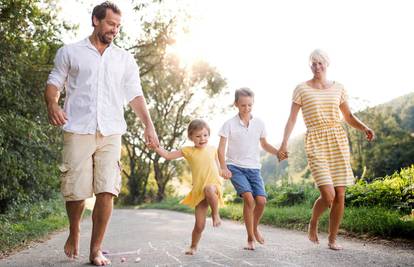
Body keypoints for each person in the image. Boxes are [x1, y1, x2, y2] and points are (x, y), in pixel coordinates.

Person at [44, 2, 159, 265]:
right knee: (76, 192)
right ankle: (74, 230)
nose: (115, 30)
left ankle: (96, 249)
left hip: (111, 131)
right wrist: (52, 103)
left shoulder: (124, 59)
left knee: (107, 189)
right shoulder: (70, 52)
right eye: (110, 24)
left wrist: (148, 125)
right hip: (78, 128)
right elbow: (54, 82)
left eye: (118, 26)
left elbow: (135, 95)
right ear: (95, 20)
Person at [278, 49, 375, 250]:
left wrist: (364, 127)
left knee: (340, 194)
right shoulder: (301, 89)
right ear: (310, 65)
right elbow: (292, 119)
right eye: (313, 63)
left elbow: (347, 116)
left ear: (327, 64)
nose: (317, 67)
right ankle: (313, 222)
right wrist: (284, 143)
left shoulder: (338, 87)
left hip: (337, 140)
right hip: (315, 140)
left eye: (320, 63)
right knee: (328, 195)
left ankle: (332, 238)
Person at [218, 88, 279, 250]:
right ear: (236, 104)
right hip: (235, 167)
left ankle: (254, 227)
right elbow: (220, 149)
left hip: (254, 168)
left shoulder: (259, 123)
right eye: (243, 105)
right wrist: (223, 168)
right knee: (249, 198)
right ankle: (250, 238)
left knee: (261, 201)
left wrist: (278, 153)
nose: (246, 108)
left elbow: (264, 144)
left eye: (250, 105)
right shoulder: (229, 124)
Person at [154, 119, 224, 255]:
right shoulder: (188, 151)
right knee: (199, 225)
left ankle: (216, 214)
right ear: (191, 137)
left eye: (205, 135)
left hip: (214, 186)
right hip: (199, 191)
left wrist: (224, 171)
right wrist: (156, 147)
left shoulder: (213, 149)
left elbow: (219, 167)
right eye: (198, 136)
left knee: (209, 189)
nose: (202, 138)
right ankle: (193, 246)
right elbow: (168, 155)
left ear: (209, 135)